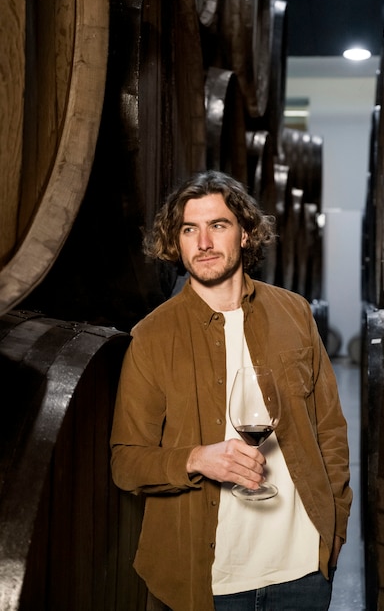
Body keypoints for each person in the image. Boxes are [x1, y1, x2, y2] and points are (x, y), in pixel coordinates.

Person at [110, 170, 352, 611]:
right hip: (205, 581)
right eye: (189, 229)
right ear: (176, 242)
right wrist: (196, 458)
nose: (203, 242)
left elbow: (330, 429)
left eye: (217, 225)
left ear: (244, 234)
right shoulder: (152, 336)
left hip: (301, 572)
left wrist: (333, 530)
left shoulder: (294, 313)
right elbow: (126, 462)